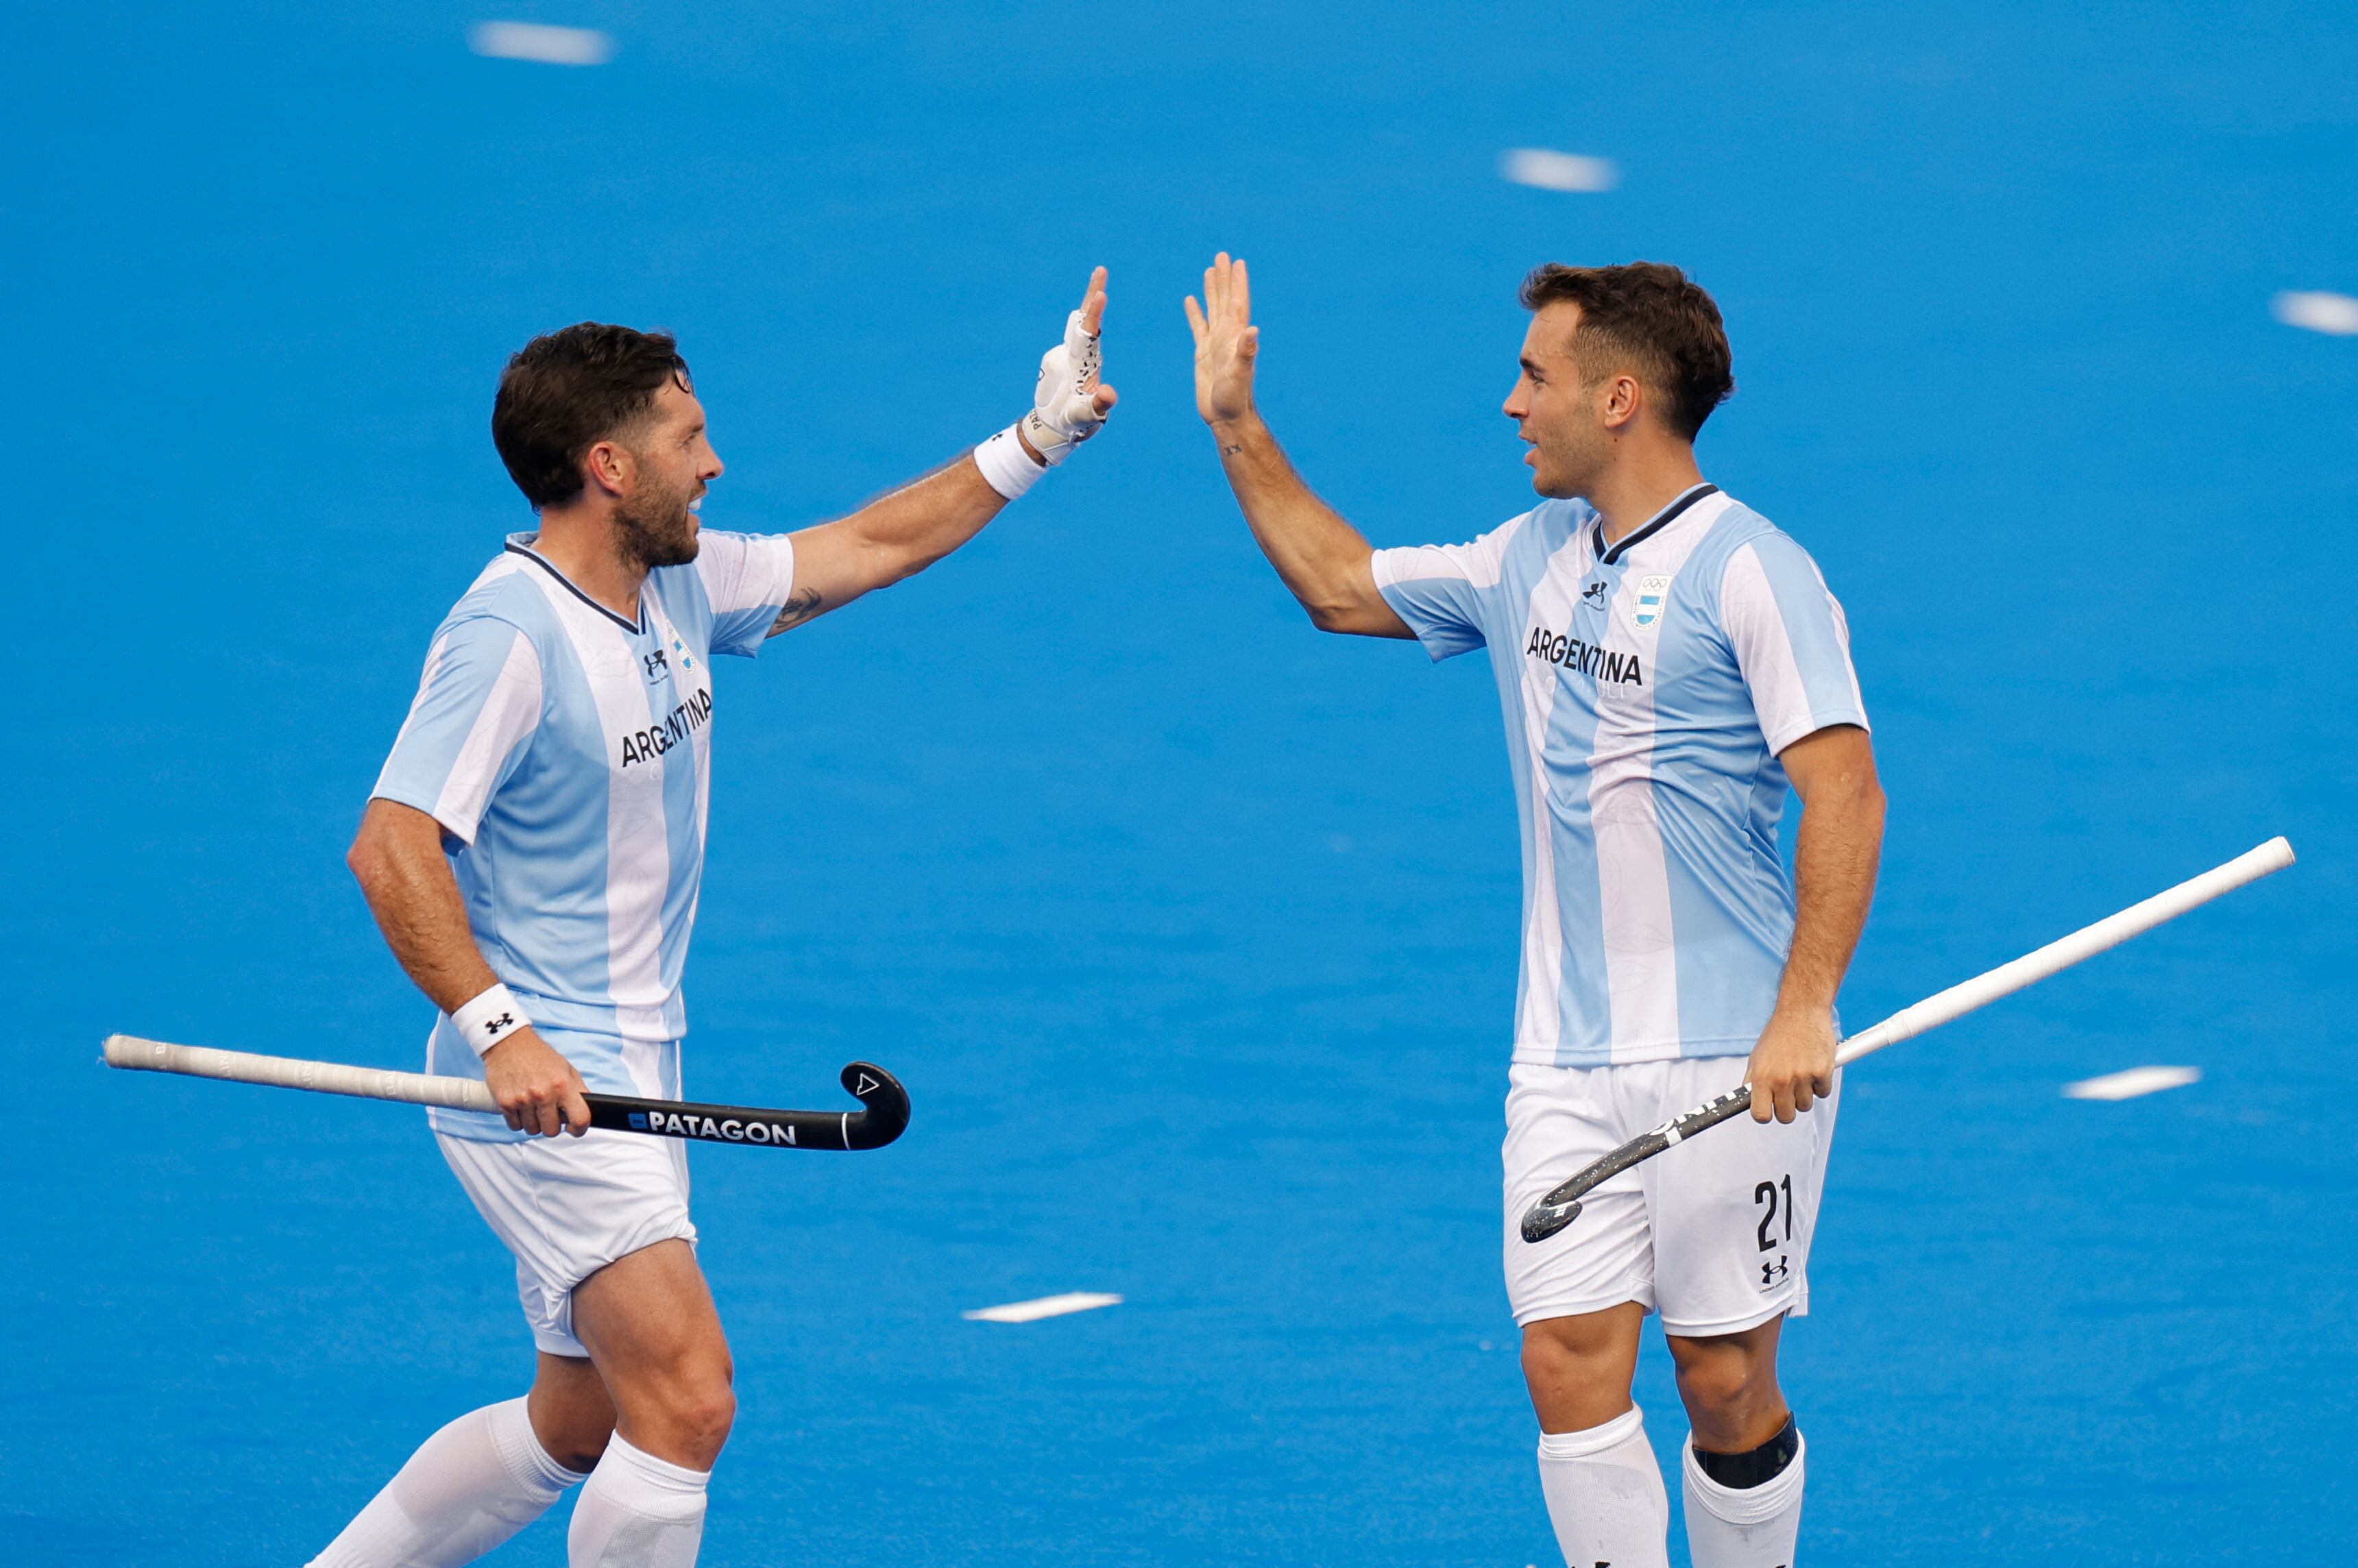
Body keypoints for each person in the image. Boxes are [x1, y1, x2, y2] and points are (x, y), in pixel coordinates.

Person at [311, 269, 1117, 1568]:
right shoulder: (508, 635)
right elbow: (391, 845)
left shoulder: (672, 583)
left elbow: (866, 547)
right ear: (611, 467)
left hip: (637, 1053)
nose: (719, 463)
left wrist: (1036, 440)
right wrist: (501, 1029)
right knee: (689, 1400)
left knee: (577, 1423)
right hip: (545, 1072)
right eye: (692, 441)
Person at [1184, 254, 1883, 1567]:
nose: (1513, 405)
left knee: (1724, 1378)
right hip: (1560, 1056)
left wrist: (1804, 1006)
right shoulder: (1527, 558)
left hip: (1729, 1058)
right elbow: (1340, 585)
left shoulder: (1757, 571)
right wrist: (1236, 426)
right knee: (1567, 1360)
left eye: (1535, 376)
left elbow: (1845, 789)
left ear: (1619, 398)